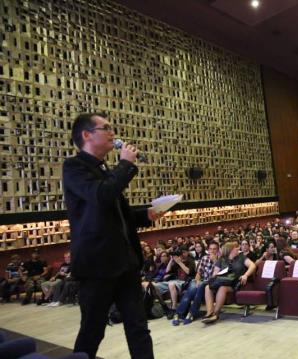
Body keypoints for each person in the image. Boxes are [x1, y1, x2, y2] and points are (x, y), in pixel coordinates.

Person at [63, 112, 164, 359]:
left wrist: (145, 214)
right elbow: (100, 196)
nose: (113, 133)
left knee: (139, 328)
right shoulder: (74, 167)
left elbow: (117, 212)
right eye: (105, 128)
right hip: (97, 266)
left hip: (125, 264)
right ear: (87, 135)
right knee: (92, 331)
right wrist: (126, 165)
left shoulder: (105, 169)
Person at [202, 241, 256, 324]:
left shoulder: (241, 257)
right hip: (222, 281)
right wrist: (216, 275)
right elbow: (215, 273)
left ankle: (215, 314)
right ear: (231, 249)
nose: (238, 248)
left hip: (234, 283)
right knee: (207, 287)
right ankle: (209, 312)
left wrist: (245, 275)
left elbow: (253, 265)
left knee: (222, 288)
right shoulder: (222, 259)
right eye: (236, 247)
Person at [173, 241, 219, 325]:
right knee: (192, 289)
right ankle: (179, 314)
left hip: (211, 282)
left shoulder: (221, 260)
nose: (212, 251)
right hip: (201, 280)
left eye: (214, 249)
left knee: (200, 286)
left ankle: (188, 313)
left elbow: (216, 276)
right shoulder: (204, 258)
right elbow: (198, 273)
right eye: (210, 249)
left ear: (218, 250)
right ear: (208, 250)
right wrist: (197, 281)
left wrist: (215, 261)